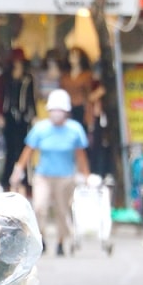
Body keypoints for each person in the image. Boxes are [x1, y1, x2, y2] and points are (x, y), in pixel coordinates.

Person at [10, 89, 89, 256]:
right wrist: (18, 170)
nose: (56, 114)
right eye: (53, 110)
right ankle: (42, 237)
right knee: (39, 207)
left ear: (66, 112)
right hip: (43, 176)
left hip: (66, 177)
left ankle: (61, 241)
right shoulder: (40, 129)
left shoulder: (75, 130)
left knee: (62, 211)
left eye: (60, 110)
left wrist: (86, 176)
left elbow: (81, 155)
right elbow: (28, 151)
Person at [3, 48, 37, 188]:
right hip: (10, 116)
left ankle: (24, 179)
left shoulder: (28, 79)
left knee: (24, 146)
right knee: (10, 147)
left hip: (24, 117)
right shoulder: (9, 78)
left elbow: (30, 99)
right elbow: (6, 97)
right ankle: (8, 177)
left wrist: (32, 115)